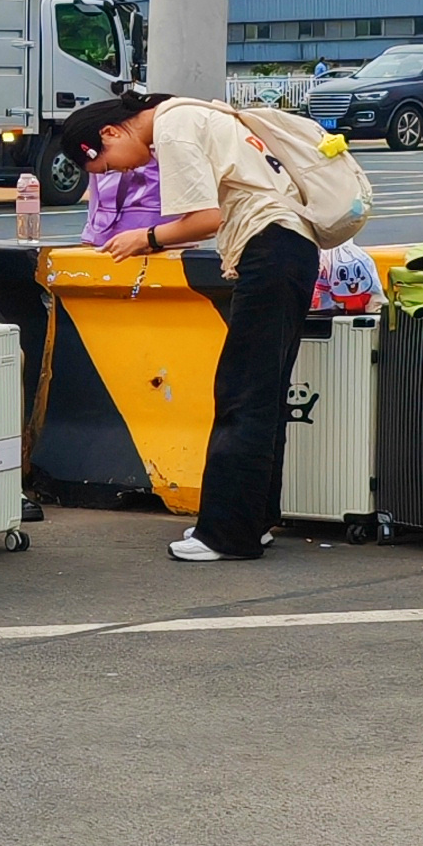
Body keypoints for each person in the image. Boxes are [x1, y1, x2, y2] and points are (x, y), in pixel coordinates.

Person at [57, 88, 316, 563]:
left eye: (110, 163)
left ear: (111, 132)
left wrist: (146, 238)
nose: (122, 171)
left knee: (242, 394)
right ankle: (253, 520)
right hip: (290, 248)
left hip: (268, 250)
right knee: (263, 393)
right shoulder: (199, 113)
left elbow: (206, 219)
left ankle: (226, 535)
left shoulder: (173, 127)